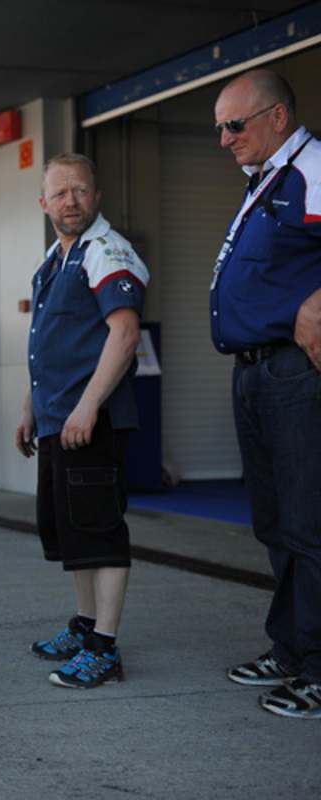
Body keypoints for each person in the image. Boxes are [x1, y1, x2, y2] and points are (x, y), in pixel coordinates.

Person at [209, 69, 321, 719]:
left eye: (235, 124)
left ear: (278, 116)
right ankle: (293, 648)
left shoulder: (312, 168)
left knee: (310, 524)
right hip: (256, 373)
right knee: (275, 523)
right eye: (219, 128)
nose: (225, 139)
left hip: (295, 372)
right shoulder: (267, 180)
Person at [15, 152, 147, 689]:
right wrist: (30, 407)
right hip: (58, 418)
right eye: (60, 192)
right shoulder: (54, 260)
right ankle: (86, 624)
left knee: (100, 529)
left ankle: (104, 647)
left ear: (97, 195)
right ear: (44, 202)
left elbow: (124, 333)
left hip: (92, 419)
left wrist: (88, 405)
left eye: (81, 190)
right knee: (74, 531)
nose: (71, 201)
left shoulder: (106, 250)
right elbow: (47, 343)